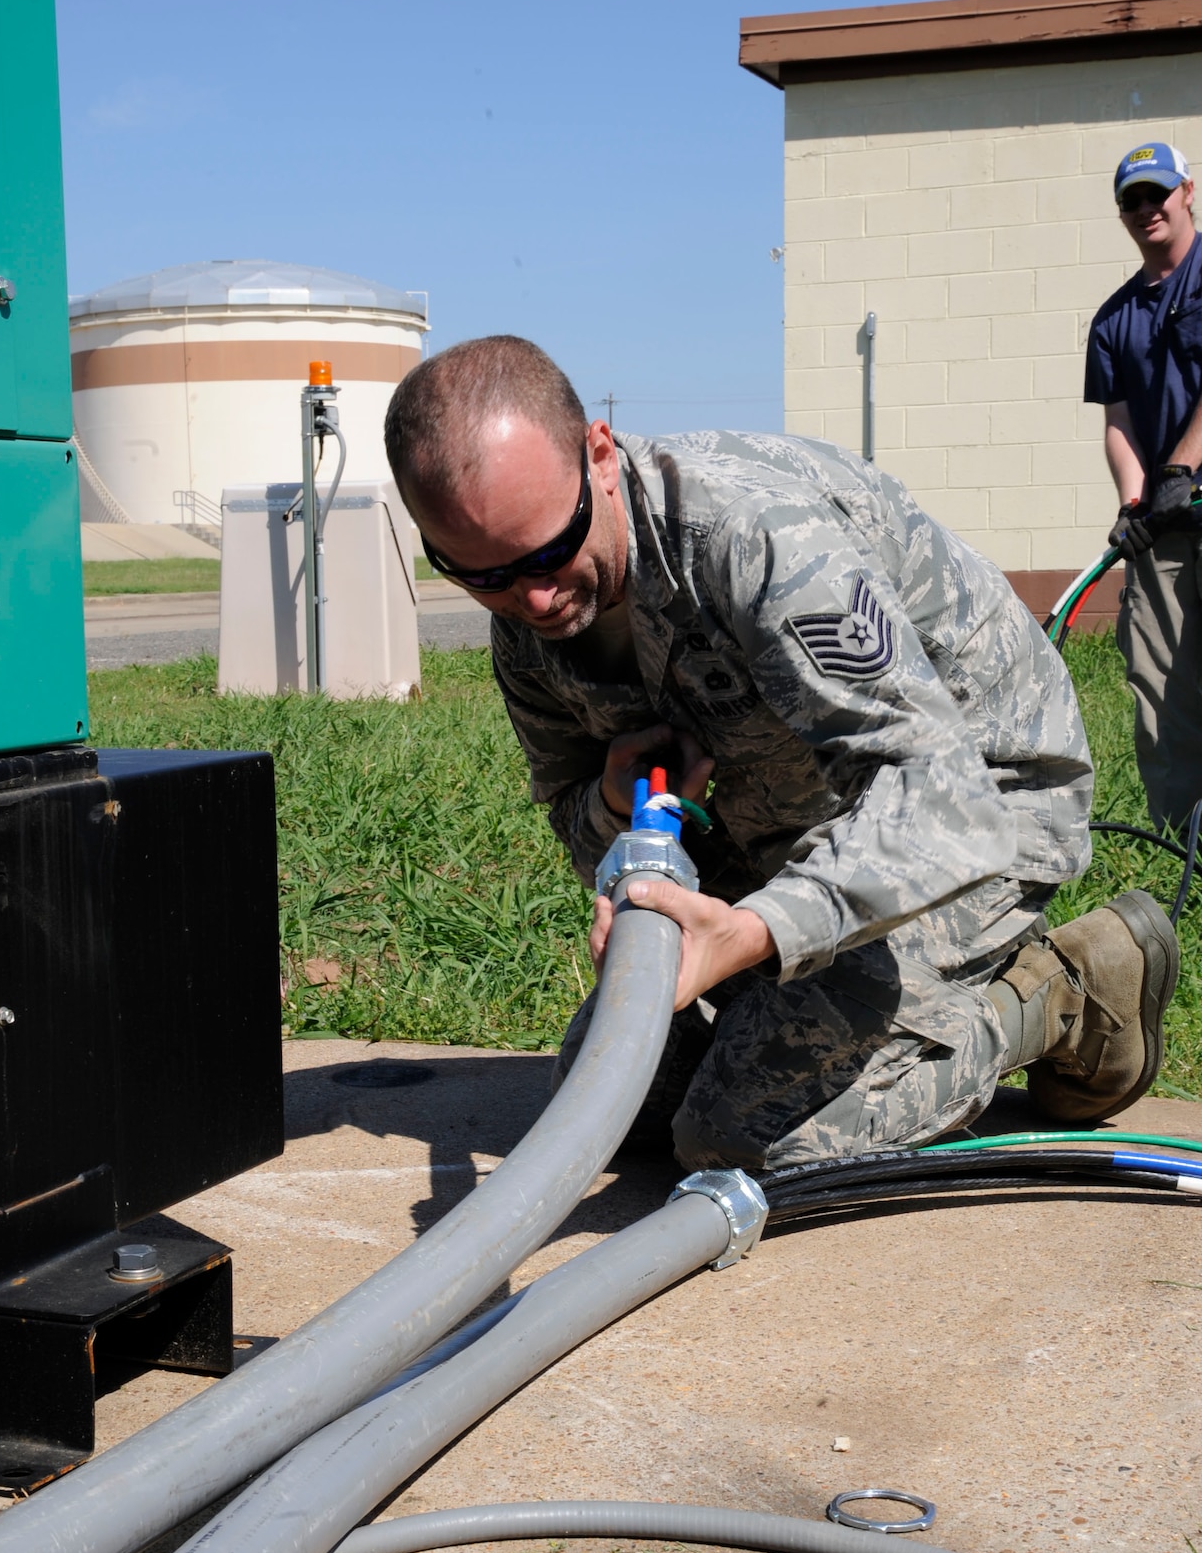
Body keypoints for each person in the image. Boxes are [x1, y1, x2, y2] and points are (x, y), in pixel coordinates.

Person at [384, 336, 1179, 1171]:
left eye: (551, 551)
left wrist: (755, 932)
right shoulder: (524, 628)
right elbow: (572, 813)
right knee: (611, 1102)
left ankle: (1057, 994)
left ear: (600, 455)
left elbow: (942, 797)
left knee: (744, 1138)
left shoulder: (753, 541)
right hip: (787, 831)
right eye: (482, 575)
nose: (533, 598)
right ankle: (797, 1004)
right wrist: (613, 808)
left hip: (981, 811)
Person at [1086, 139, 1202, 831]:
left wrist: (1183, 468)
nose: (1146, 208)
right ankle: (1179, 847)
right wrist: (1135, 499)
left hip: (1186, 492)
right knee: (1161, 691)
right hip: (1165, 525)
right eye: (1132, 199)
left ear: (1188, 192)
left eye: (1157, 193)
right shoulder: (1115, 317)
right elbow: (1120, 422)